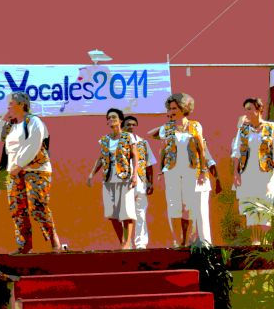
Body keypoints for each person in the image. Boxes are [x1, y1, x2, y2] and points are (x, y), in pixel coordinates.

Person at [0, 91, 63, 254]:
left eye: (11, 104)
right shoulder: (10, 125)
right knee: (17, 208)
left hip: (36, 170)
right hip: (14, 173)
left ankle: (54, 241)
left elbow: (33, 145)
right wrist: (4, 117)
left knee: (37, 206)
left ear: (21, 105)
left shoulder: (34, 122)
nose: (8, 107)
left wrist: (19, 165)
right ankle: (24, 245)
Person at [147, 93, 210, 247]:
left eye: (174, 108)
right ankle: (177, 241)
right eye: (170, 108)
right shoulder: (166, 128)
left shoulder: (195, 125)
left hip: (191, 170)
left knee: (188, 207)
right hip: (172, 170)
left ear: (184, 108)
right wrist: (161, 170)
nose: (171, 111)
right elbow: (163, 150)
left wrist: (202, 171)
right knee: (174, 206)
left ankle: (187, 241)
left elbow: (201, 150)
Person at [231, 97, 274, 244]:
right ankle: (255, 244)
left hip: (266, 175)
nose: (247, 112)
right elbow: (236, 152)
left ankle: (265, 244)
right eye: (245, 110)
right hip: (248, 175)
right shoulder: (243, 130)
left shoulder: (272, 128)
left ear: (259, 109)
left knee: (265, 209)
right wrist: (236, 173)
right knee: (251, 211)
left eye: (250, 109)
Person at [86, 109, 139, 249]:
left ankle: (127, 243)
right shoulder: (104, 140)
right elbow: (101, 158)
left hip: (125, 177)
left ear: (120, 120)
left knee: (126, 211)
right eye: (109, 118)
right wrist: (92, 174)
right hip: (108, 178)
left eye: (114, 117)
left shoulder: (128, 137)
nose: (111, 120)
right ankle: (122, 241)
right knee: (112, 214)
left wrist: (135, 175)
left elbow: (135, 156)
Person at [123, 115, 158, 249]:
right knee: (125, 214)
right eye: (128, 124)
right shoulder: (118, 143)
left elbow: (149, 164)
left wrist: (150, 182)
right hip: (123, 183)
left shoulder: (143, 143)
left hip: (140, 182)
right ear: (123, 127)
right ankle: (127, 243)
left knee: (141, 214)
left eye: (133, 124)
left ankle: (141, 243)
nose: (131, 127)